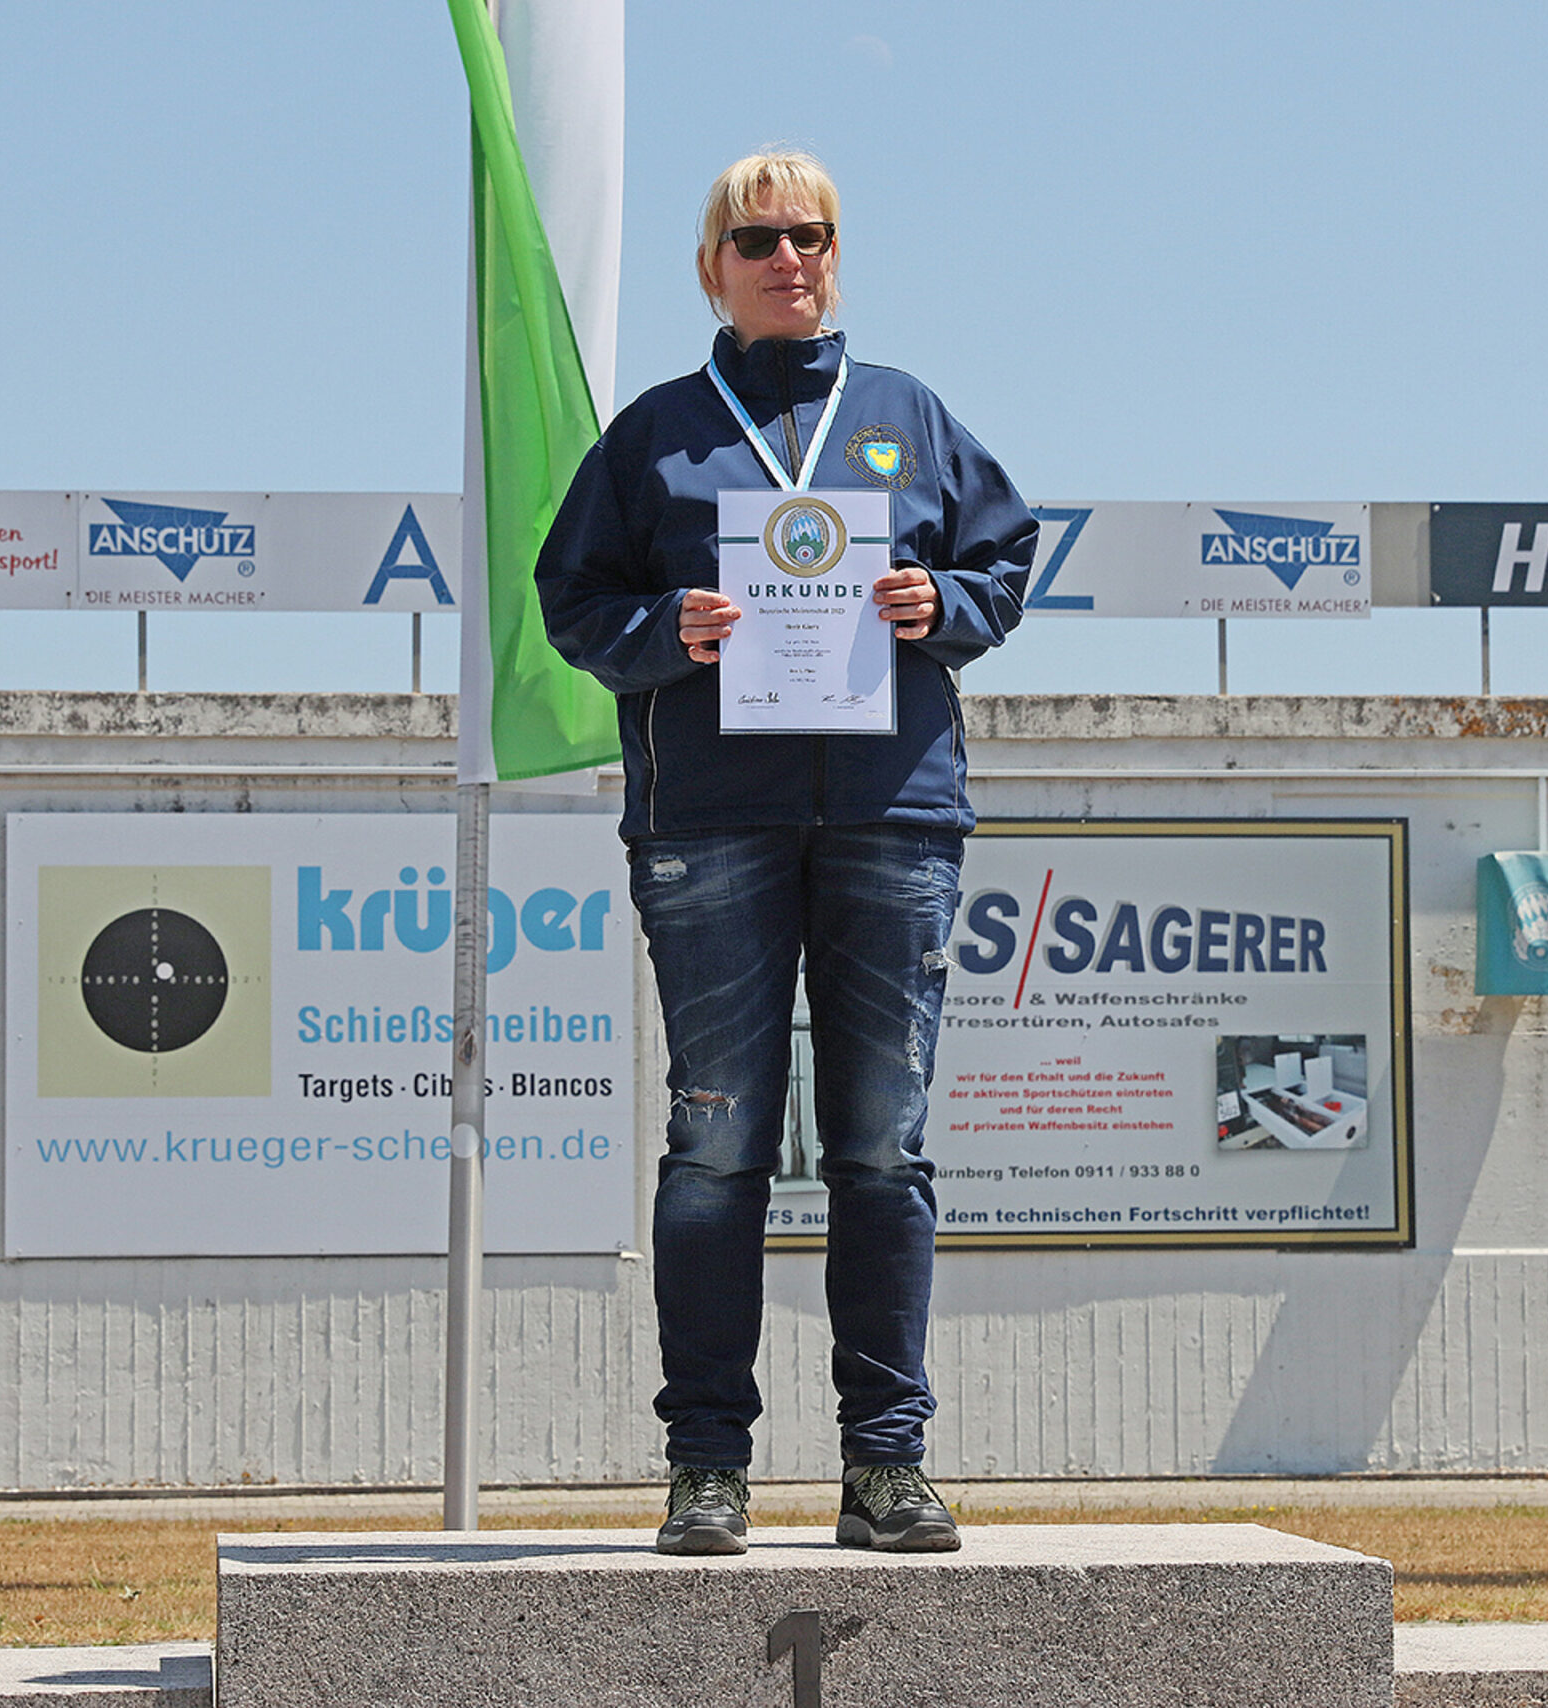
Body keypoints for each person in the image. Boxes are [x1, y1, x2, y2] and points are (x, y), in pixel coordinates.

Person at [536, 149, 1035, 1555]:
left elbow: (1006, 561)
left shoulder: (907, 414)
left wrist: (944, 603)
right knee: (717, 1145)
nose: (787, 259)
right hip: (711, 823)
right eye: (757, 240)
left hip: (891, 815)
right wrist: (664, 633)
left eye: (809, 235)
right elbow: (572, 599)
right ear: (714, 268)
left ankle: (886, 1466)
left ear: (835, 256)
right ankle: (706, 1467)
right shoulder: (655, 435)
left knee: (883, 1145)